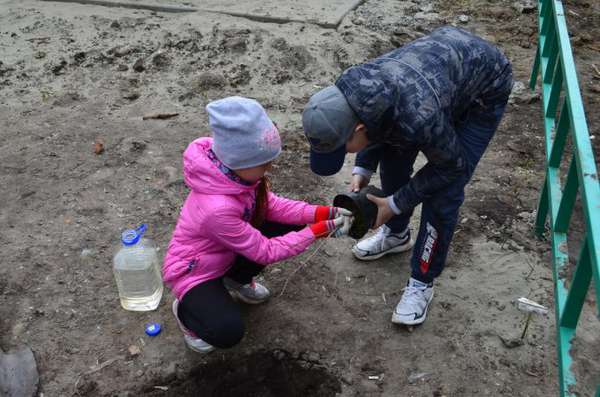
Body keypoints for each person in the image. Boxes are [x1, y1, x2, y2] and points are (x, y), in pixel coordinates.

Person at [302, 26, 513, 326]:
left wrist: (395, 203)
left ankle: (422, 281)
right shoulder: (353, 89)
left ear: (358, 130)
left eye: (343, 148)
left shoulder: (418, 118)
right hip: (437, 75)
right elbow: (377, 123)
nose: (344, 154)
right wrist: (363, 168)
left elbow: (450, 166)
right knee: (394, 155)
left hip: (484, 85)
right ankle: (397, 235)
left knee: (445, 191)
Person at [163, 96, 352, 353]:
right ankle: (187, 312)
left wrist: (320, 213)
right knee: (227, 331)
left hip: (226, 252)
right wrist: (317, 231)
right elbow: (266, 251)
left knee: (285, 224)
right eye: (264, 163)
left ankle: (235, 280)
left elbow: (272, 206)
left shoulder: (238, 176)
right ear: (240, 160)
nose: (270, 168)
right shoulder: (216, 209)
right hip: (195, 270)